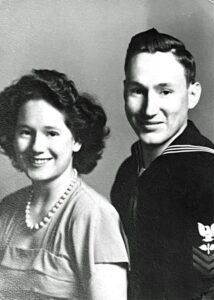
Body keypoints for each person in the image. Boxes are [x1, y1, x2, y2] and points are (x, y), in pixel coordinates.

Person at [0, 69, 129, 300]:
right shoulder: (8, 209)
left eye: (51, 133)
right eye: (26, 132)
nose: (37, 146)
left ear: (77, 140)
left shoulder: (94, 216)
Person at [111, 28, 214, 300]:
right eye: (137, 91)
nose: (149, 109)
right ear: (124, 91)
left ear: (192, 95)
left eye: (165, 91)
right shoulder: (127, 171)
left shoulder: (207, 171)